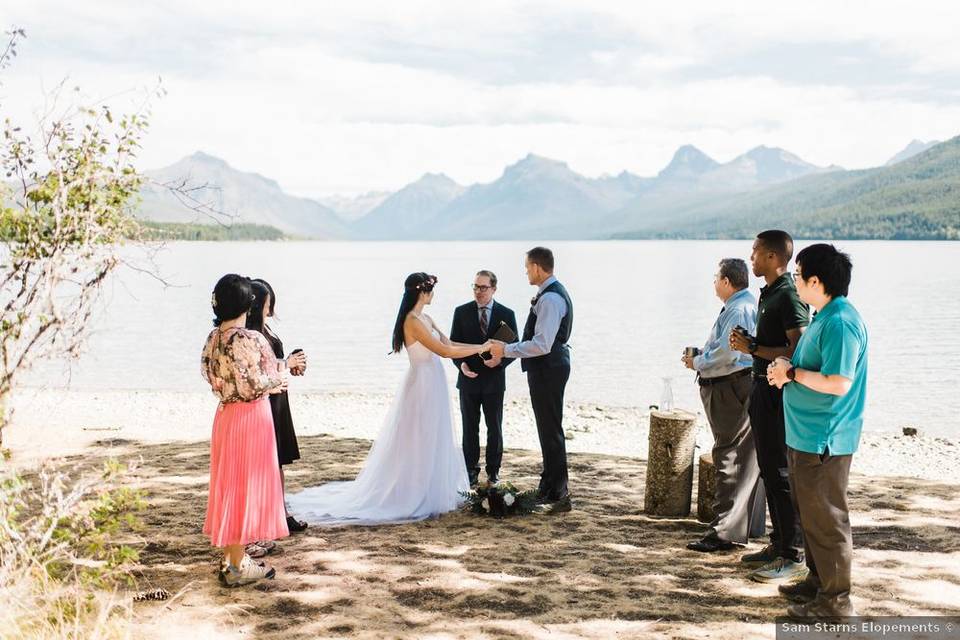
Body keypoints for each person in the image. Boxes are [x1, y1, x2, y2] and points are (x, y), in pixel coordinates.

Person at [285, 273, 491, 525]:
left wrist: (479, 344)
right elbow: (445, 351)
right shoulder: (412, 321)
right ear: (423, 293)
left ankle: (430, 486)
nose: (434, 294)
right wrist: (480, 349)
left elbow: (450, 342)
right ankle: (413, 490)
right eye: (432, 289)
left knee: (434, 434)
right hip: (423, 384)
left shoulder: (426, 318)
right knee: (418, 436)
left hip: (434, 381)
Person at [767, 244, 867, 619]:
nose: (794, 281)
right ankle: (817, 582)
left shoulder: (840, 321)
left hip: (826, 438)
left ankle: (836, 603)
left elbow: (839, 382)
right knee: (810, 515)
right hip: (805, 435)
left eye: (798, 275)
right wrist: (785, 367)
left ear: (815, 281)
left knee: (827, 520)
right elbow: (811, 366)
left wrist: (790, 374)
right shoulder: (824, 315)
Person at [730, 230, 809, 582]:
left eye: (756, 252)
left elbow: (798, 350)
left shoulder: (789, 294)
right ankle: (778, 544)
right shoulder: (770, 293)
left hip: (778, 392)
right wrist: (752, 345)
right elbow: (773, 344)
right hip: (761, 386)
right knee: (767, 467)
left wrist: (753, 350)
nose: (751, 258)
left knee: (779, 472)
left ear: (775, 258)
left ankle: (793, 554)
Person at [201, 274, 289, 587]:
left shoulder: (213, 338)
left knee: (230, 486)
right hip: (251, 417)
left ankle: (232, 559)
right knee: (243, 486)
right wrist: (278, 378)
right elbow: (259, 382)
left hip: (225, 416)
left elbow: (208, 375)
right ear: (246, 304)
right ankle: (236, 567)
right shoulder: (250, 339)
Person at [684, 258, 766, 552]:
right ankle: (743, 527)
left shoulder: (740, 308)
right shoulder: (740, 306)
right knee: (743, 456)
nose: (714, 283)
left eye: (716, 278)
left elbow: (730, 354)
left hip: (731, 387)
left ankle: (724, 532)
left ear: (727, 281)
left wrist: (698, 361)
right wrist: (704, 355)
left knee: (729, 455)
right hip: (731, 385)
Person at [489, 247, 573, 514]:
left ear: (537, 267)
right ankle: (548, 486)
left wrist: (505, 350)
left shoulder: (550, 299)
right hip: (548, 368)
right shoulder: (549, 294)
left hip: (549, 367)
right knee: (547, 429)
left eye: (527, 267)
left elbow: (542, 344)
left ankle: (559, 494)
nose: (525, 271)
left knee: (551, 431)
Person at [246, 279, 309, 535]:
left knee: (278, 461)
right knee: (268, 461)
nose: (270, 308)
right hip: (265, 401)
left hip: (278, 398)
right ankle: (273, 514)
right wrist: (287, 362)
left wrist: (291, 365)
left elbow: (274, 364)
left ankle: (280, 512)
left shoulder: (266, 330)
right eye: (268, 303)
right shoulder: (252, 335)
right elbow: (260, 370)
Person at [450, 270, 518, 487]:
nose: (478, 291)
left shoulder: (507, 313)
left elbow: (514, 348)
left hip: (494, 381)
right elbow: (453, 347)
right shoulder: (461, 312)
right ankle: (470, 470)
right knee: (469, 428)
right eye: (475, 287)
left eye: (483, 288)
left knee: (494, 428)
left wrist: (500, 362)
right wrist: (461, 365)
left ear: (494, 289)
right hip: (468, 379)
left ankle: (493, 472)